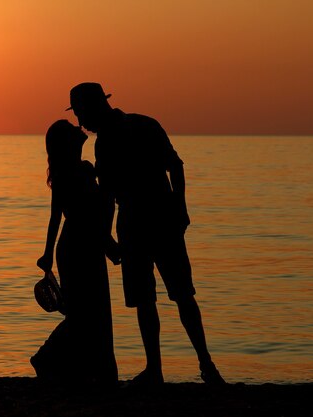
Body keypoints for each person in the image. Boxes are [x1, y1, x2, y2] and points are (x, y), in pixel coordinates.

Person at [67, 82, 225, 385]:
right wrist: (108, 238)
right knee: (161, 297)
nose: (80, 123)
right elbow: (165, 171)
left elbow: (169, 169)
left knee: (171, 296)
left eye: (81, 115)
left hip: (149, 220)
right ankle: (178, 367)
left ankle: (190, 366)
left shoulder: (134, 129)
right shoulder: (141, 125)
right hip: (148, 220)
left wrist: (179, 207)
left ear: (92, 108)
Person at [31, 119, 118, 385]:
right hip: (79, 246)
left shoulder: (74, 171)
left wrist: (48, 254)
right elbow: (66, 216)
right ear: (66, 144)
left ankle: (88, 370)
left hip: (81, 244)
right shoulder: (75, 172)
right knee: (86, 313)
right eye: (71, 129)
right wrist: (46, 254)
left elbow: (61, 217)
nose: (77, 129)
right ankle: (47, 358)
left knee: (89, 311)